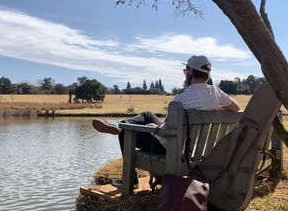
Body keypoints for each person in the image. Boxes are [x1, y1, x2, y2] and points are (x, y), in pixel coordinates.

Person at [92, 55, 240, 188]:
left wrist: (152, 128)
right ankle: (121, 124)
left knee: (125, 133)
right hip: (194, 149)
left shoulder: (180, 100)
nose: (185, 74)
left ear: (190, 72)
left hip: (173, 149)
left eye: (185, 71)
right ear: (207, 75)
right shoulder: (216, 93)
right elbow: (236, 108)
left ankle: (130, 178)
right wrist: (214, 111)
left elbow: (164, 135)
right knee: (148, 115)